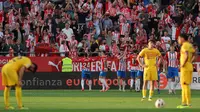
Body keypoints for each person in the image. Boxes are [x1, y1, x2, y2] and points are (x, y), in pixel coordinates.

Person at [177, 34, 196, 108]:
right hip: (189, 66)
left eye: (179, 38)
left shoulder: (184, 45)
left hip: (185, 67)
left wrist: (183, 64)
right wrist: (190, 62)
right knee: (185, 85)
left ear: (182, 38)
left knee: (185, 85)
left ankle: (187, 103)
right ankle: (184, 102)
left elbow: (186, 54)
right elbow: (194, 54)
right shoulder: (190, 45)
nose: (178, 40)